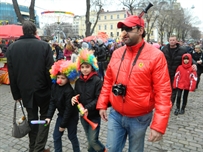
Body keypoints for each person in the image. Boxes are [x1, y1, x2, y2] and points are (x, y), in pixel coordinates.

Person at [96, 15, 172, 152]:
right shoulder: (117, 53)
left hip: (139, 117)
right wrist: (102, 104)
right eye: (123, 29)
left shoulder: (156, 56)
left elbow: (163, 91)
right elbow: (108, 81)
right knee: (111, 149)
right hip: (116, 114)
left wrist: (159, 125)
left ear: (140, 30)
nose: (124, 33)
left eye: (129, 29)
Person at [7, 21, 54, 152]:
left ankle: (33, 147)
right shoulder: (44, 46)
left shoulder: (12, 48)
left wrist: (16, 94)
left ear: (23, 31)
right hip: (43, 90)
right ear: (35, 32)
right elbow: (50, 70)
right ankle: (38, 148)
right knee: (44, 118)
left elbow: (12, 74)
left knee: (32, 119)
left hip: (25, 91)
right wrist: (52, 89)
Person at [71, 49, 106, 152]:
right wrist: (73, 98)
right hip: (83, 116)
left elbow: (98, 98)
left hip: (94, 116)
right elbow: (76, 95)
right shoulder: (78, 82)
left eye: (87, 67)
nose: (85, 69)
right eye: (82, 67)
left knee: (93, 141)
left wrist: (87, 108)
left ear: (92, 67)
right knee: (89, 141)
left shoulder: (97, 81)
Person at [46, 60, 80, 152]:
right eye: (58, 77)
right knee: (56, 136)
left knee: (72, 136)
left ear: (69, 78)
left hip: (71, 117)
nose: (59, 80)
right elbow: (52, 102)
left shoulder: (69, 91)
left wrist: (63, 125)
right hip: (61, 115)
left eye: (63, 78)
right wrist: (49, 117)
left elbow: (69, 109)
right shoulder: (54, 87)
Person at [162, 35, 192, 106]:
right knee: (165, 89)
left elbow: (188, 58)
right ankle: (165, 102)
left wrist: (194, 64)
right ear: (168, 41)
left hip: (177, 73)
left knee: (174, 89)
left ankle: (171, 103)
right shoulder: (164, 49)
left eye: (173, 40)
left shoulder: (182, 50)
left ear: (176, 41)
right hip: (166, 72)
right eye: (170, 40)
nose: (172, 41)